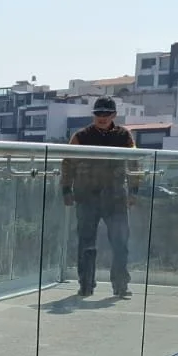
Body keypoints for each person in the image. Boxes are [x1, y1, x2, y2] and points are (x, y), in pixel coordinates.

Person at [62, 97, 137, 298]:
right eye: (98, 114)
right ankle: (86, 285)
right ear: (93, 115)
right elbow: (68, 163)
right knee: (86, 244)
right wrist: (66, 190)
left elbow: (134, 163)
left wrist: (134, 191)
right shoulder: (80, 136)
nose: (102, 117)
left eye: (106, 114)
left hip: (116, 198)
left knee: (120, 244)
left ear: (114, 115)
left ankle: (121, 285)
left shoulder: (124, 136)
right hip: (86, 197)